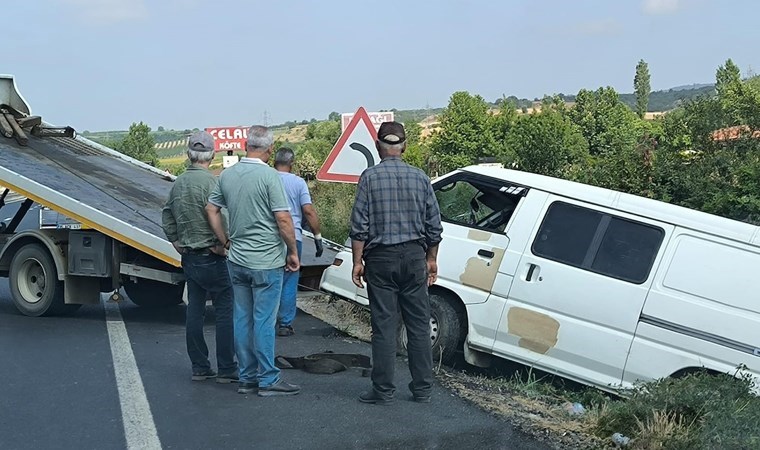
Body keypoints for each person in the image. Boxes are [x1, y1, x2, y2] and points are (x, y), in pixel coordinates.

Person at [349, 121, 443, 405]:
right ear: (404, 147)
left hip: (381, 260)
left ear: (378, 146)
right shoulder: (421, 178)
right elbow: (434, 227)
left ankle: (383, 390)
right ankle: (423, 389)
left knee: (384, 326)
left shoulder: (369, 177)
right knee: (418, 325)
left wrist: (357, 262)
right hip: (414, 258)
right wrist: (431, 259)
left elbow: (359, 226)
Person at [206, 125, 302, 397]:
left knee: (242, 318)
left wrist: (224, 240)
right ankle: (268, 378)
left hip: (236, 260)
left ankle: (247, 377)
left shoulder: (228, 175)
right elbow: (283, 219)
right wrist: (292, 252)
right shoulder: (271, 177)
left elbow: (211, 209)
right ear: (270, 150)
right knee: (263, 320)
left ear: (247, 145)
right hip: (266, 261)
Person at [161, 130, 238, 383]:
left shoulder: (179, 183)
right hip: (213, 255)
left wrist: (177, 242)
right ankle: (227, 368)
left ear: (188, 155)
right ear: (212, 154)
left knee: (194, 310)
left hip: (190, 257)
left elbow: (167, 215)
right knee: (225, 310)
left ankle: (199, 366)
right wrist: (224, 243)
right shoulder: (213, 183)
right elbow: (222, 216)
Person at [273, 147, 324, 337]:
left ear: (274, 161)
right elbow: (308, 211)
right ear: (292, 163)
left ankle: (265, 322)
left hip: (270, 237)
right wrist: (317, 237)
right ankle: (285, 324)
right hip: (293, 236)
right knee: (289, 281)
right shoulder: (298, 182)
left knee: (271, 280)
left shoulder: (266, 179)